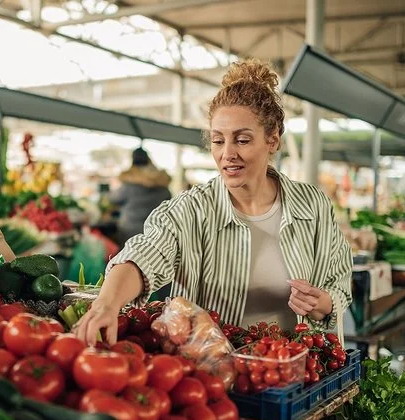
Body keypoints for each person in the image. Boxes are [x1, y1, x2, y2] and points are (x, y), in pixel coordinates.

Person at [74, 59, 353, 346]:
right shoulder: (190, 211)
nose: (227, 154)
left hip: (295, 369)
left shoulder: (313, 206)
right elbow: (144, 255)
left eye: (242, 140)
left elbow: (340, 281)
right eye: (218, 141)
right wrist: (106, 304)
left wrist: (325, 303)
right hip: (214, 370)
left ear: (273, 140)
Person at [110, 147, 172, 246]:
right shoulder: (161, 180)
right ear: (148, 159)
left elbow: (114, 198)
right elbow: (168, 202)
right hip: (155, 230)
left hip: (129, 229)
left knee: (127, 258)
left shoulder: (131, 179)